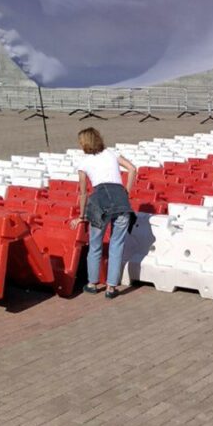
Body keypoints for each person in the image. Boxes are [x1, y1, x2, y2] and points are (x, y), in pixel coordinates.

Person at [71, 128, 136, 299]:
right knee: (117, 245)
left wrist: (81, 216)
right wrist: (126, 191)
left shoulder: (83, 163)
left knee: (95, 244)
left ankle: (92, 283)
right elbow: (132, 169)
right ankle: (111, 287)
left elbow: (83, 193)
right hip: (121, 200)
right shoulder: (112, 153)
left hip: (99, 202)